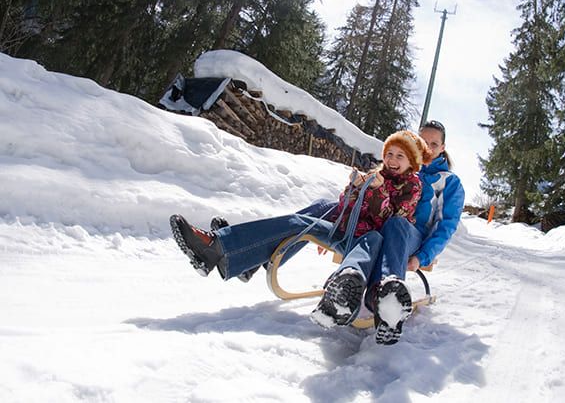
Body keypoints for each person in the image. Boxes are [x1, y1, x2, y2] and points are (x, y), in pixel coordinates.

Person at [170, 130, 433, 338]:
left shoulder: (412, 186)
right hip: (349, 232)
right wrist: (354, 189)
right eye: (390, 153)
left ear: (412, 163)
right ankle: (218, 247)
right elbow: (345, 207)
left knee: (351, 227)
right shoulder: (374, 175)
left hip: (369, 244)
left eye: (401, 156)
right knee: (301, 221)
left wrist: (376, 192)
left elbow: (388, 224)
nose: (392, 160)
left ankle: (235, 255)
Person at [364, 119, 466, 344]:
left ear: (442, 148)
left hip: (412, 237)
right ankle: (360, 292)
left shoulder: (449, 182)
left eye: (434, 144)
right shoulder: (405, 166)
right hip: (380, 229)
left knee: (397, 224)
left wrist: (422, 257)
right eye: (424, 142)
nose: (428, 148)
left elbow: (445, 226)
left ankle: (390, 304)